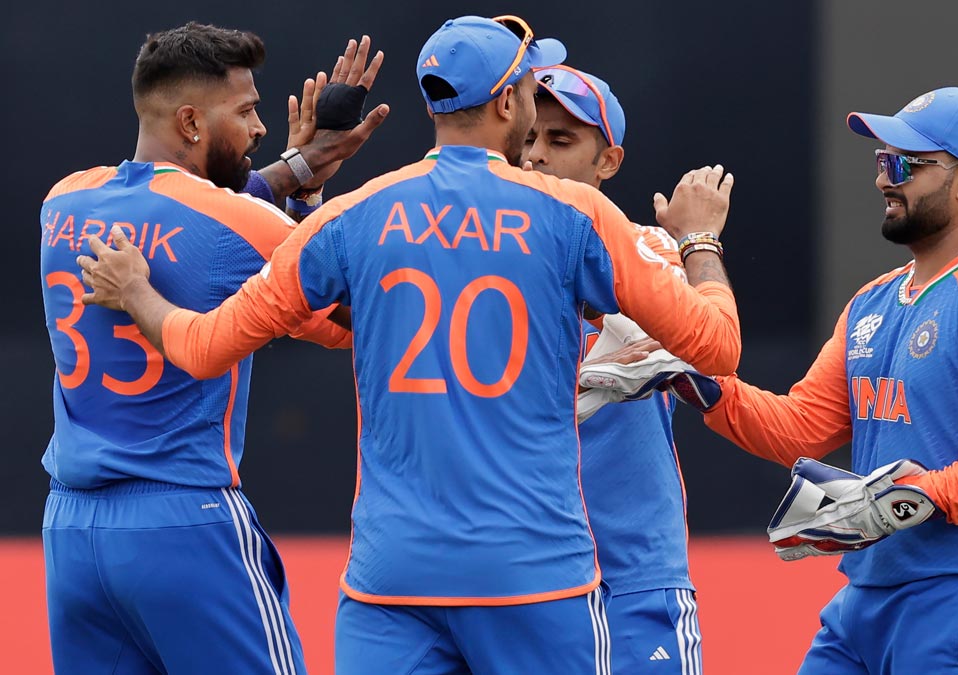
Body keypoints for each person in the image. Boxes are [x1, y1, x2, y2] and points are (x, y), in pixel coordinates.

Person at [75, 14, 741, 675]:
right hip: (533, 577)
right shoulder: (577, 215)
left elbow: (202, 346)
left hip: (391, 586)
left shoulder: (353, 216)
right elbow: (717, 347)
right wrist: (701, 242)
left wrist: (137, 291)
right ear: (507, 103)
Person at [39, 23, 386, 674]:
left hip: (70, 531)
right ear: (192, 122)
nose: (260, 128)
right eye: (247, 111)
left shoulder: (63, 201)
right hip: (184, 520)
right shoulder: (243, 224)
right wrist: (308, 191)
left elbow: (196, 206)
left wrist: (296, 166)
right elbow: (350, 322)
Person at [689, 87, 958, 673]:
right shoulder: (873, 300)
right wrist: (695, 379)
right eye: (882, 161)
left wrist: (914, 497)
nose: (883, 179)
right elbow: (799, 429)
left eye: (904, 165)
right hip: (863, 600)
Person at [523, 64, 703, 672]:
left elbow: (694, 346)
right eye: (529, 136)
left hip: (631, 577)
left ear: (609, 161)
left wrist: (698, 245)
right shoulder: (478, 263)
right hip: (521, 585)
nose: (536, 155)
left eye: (560, 140)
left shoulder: (649, 248)